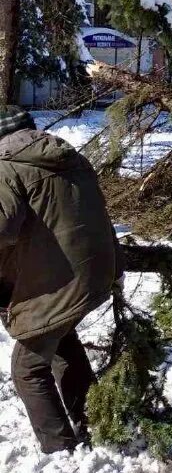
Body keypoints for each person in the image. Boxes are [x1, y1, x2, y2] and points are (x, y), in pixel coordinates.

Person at [0, 106, 121, 453]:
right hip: (97, 268)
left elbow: (3, 227)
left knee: (27, 367)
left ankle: (61, 451)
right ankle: (94, 422)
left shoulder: (6, 166)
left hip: (64, 278)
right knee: (61, 340)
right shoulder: (72, 158)